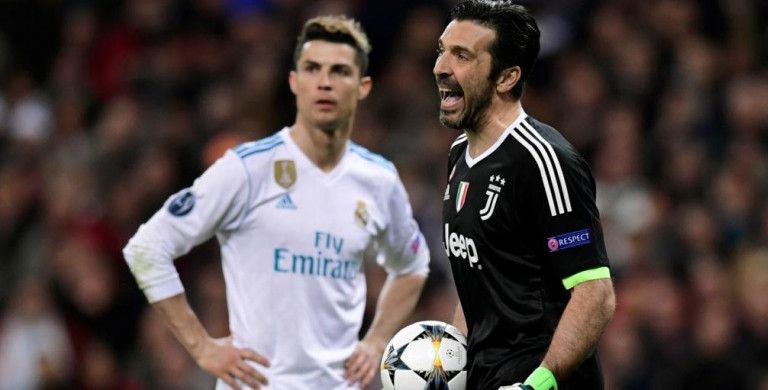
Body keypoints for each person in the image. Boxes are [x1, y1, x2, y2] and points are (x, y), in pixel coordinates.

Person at [123, 15, 430, 390]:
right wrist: (201, 347)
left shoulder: (379, 180)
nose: (325, 82)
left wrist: (378, 340)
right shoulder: (248, 169)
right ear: (294, 82)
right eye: (312, 69)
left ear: (363, 87)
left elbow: (412, 265)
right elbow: (146, 248)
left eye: (340, 71)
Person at [434, 1, 616, 389]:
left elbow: (595, 293)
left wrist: (539, 383)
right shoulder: (458, 156)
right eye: (442, 50)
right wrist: (446, 367)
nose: (441, 67)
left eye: (462, 55)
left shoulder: (543, 160)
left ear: (506, 77)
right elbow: (480, 286)